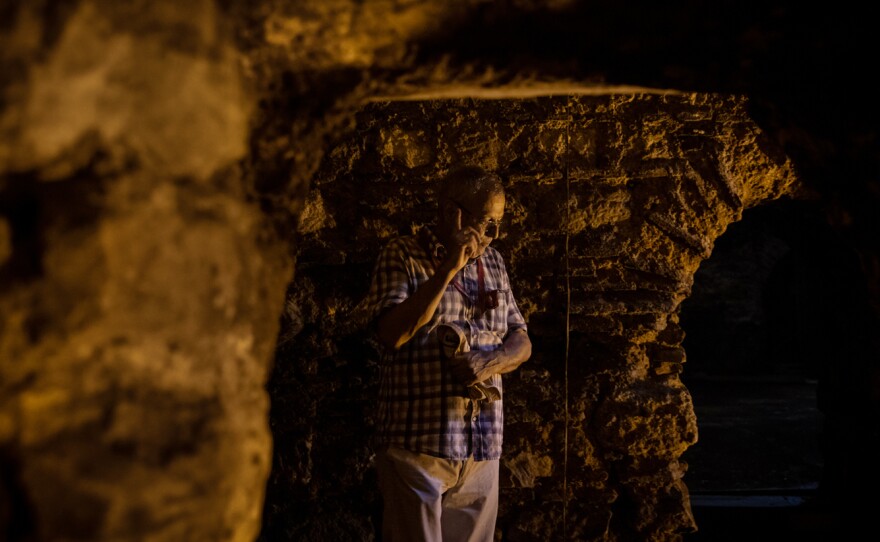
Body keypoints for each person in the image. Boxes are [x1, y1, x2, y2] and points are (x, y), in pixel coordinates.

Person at [365, 165, 532, 542]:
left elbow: (521, 339)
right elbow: (392, 335)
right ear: (449, 212)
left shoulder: (494, 263)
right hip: (418, 446)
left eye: (497, 223)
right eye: (485, 221)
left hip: (481, 446)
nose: (492, 235)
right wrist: (447, 269)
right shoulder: (403, 254)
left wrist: (493, 361)